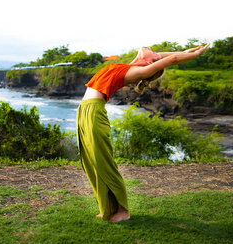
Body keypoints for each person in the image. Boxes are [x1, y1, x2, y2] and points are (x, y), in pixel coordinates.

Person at [76, 43, 210, 223]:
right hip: (84, 110)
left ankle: (123, 211)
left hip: (93, 112)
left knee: (103, 161)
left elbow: (171, 59)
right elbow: (164, 56)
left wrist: (196, 54)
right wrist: (187, 51)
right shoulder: (131, 67)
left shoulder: (137, 73)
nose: (154, 50)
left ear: (149, 63)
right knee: (90, 161)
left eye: (154, 54)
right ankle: (107, 208)